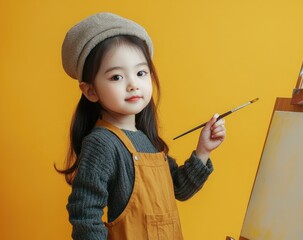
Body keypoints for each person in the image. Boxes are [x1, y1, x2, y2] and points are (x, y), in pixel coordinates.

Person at [56, 12, 226, 240]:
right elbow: (84, 215)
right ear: (91, 91)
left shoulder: (147, 139)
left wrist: (203, 150)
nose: (133, 84)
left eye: (141, 73)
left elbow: (179, 190)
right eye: (117, 77)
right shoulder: (102, 143)